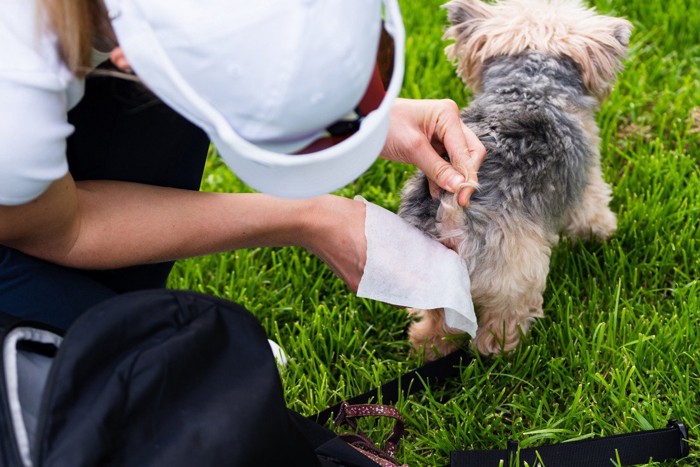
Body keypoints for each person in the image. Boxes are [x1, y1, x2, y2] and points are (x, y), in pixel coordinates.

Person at [0, 0, 486, 330]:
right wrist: (310, 218)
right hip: (24, 218)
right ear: (131, 60)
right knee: (105, 364)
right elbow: (65, 228)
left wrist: (359, 113)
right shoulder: (14, 91)